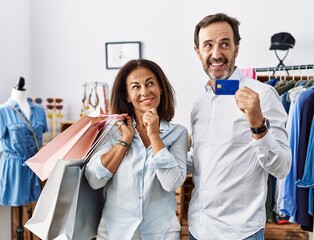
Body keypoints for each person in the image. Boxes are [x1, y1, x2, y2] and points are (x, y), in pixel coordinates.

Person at [186, 13, 292, 240]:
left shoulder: (263, 95)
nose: (216, 54)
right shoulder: (199, 103)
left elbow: (282, 167)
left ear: (236, 48)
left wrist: (258, 126)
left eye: (225, 44)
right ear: (198, 52)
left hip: (240, 233)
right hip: (198, 229)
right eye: (208, 45)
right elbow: (202, 163)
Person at [85, 59, 188, 240]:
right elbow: (94, 179)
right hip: (115, 232)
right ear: (126, 95)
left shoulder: (178, 133)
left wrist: (155, 135)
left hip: (161, 232)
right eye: (135, 87)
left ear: (161, 88)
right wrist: (124, 140)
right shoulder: (112, 130)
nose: (144, 92)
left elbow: (172, 183)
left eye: (150, 84)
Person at [0, 77, 47, 206]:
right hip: (14, 169)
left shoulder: (39, 110)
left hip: (35, 167)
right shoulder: (2, 111)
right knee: (17, 207)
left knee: (36, 206)